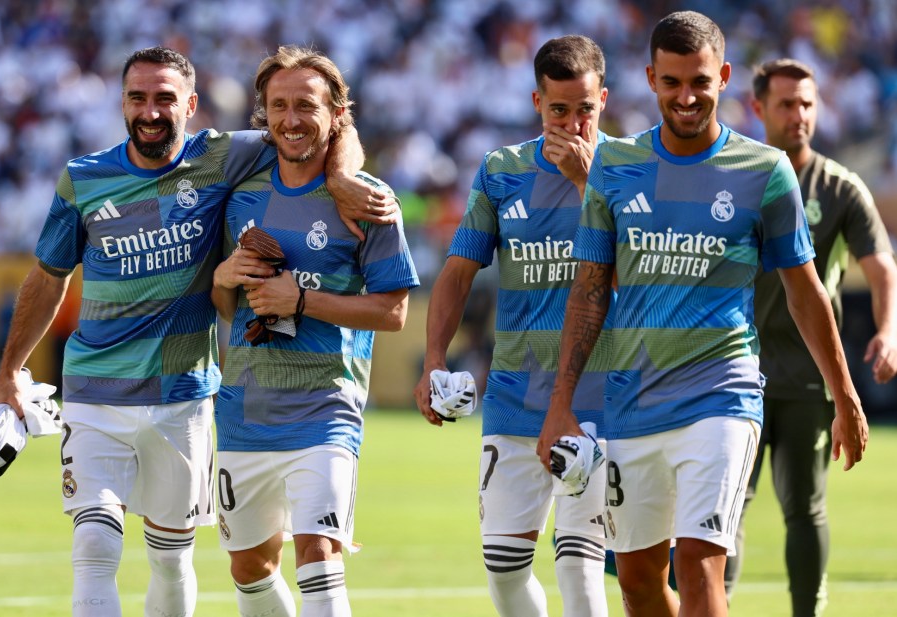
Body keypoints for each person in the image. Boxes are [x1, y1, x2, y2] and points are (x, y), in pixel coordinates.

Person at [0, 46, 393, 617]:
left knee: (171, 559)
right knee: (94, 542)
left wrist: (343, 175)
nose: (150, 111)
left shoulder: (222, 159)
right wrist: (9, 371)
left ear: (191, 104)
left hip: (184, 396)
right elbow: (49, 275)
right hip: (95, 391)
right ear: (122, 103)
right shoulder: (84, 178)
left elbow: (320, 129)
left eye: (164, 98)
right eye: (138, 98)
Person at [536, 11, 869, 617]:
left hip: (722, 398)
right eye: (672, 82)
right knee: (639, 582)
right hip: (633, 402)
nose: (686, 97)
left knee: (698, 564)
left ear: (725, 78)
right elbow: (589, 289)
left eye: (700, 82)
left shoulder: (763, 171)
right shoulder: (615, 167)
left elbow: (805, 291)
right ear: (651, 79)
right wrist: (562, 403)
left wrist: (844, 394)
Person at [211, 45, 419, 617]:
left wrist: (301, 301)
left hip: (325, 410)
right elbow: (226, 307)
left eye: (306, 105)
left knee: (319, 557)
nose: (291, 119)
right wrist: (225, 277)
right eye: (279, 105)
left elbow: (393, 311)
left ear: (336, 114)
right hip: (244, 408)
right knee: (250, 568)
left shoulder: (367, 199)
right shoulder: (242, 195)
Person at [414, 35, 610, 617]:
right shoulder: (502, 171)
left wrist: (587, 184)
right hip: (514, 395)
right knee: (503, 570)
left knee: (579, 567)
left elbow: (637, 275)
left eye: (585, 109)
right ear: (536, 102)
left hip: (602, 396)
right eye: (559, 110)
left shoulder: (629, 169)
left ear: (604, 99)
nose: (573, 125)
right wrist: (433, 360)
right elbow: (457, 272)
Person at [724, 58, 897, 616]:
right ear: (758, 108)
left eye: (806, 103)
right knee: (724, 511)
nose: (798, 114)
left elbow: (882, 268)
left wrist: (889, 330)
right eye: (786, 104)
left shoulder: (840, 188)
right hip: (734, 373)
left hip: (807, 375)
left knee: (805, 509)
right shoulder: (734, 179)